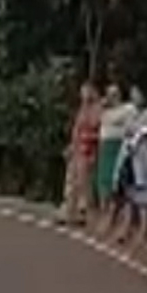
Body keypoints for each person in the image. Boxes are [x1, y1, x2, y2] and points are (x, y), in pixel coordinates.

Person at [115, 84, 147, 249]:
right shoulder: (132, 114)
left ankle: (144, 230)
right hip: (132, 157)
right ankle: (126, 226)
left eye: (136, 94)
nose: (134, 97)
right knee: (129, 193)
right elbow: (126, 132)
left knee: (145, 195)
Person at [94, 82, 136, 236]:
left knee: (117, 184)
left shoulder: (127, 109)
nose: (111, 97)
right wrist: (103, 105)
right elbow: (97, 120)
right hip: (105, 147)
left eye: (114, 94)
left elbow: (130, 128)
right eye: (109, 93)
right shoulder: (105, 111)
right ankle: (105, 216)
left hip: (118, 148)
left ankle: (120, 223)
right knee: (103, 182)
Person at [60, 82, 101, 227]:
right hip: (78, 149)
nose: (83, 96)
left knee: (84, 183)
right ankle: (67, 211)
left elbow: (97, 129)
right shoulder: (81, 110)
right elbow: (76, 130)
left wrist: (90, 141)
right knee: (71, 180)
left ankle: (82, 213)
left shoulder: (97, 110)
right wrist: (71, 146)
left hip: (87, 149)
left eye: (86, 93)